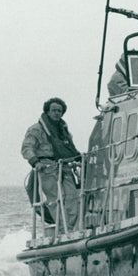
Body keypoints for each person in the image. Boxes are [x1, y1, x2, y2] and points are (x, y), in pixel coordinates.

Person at [21, 97, 82, 234]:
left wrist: (80, 159)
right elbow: (26, 148)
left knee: (73, 198)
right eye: (54, 110)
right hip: (46, 167)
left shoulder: (63, 131)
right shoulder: (36, 129)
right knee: (55, 200)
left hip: (64, 166)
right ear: (47, 111)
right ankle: (62, 231)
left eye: (59, 111)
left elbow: (70, 148)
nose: (57, 113)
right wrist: (35, 162)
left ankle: (71, 229)